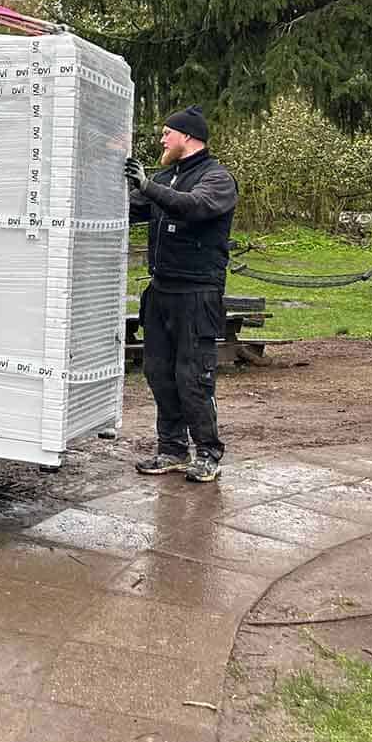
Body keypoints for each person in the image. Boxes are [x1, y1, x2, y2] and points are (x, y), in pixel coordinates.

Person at [125, 105, 238, 483]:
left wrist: (148, 187)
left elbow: (195, 207)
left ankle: (208, 452)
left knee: (193, 377)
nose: (162, 139)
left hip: (197, 294)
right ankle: (171, 449)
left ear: (187, 137)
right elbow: (129, 208)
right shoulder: (165, 177)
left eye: (166, 133)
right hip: (160, 293)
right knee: (159, 373)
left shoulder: (217, 178)